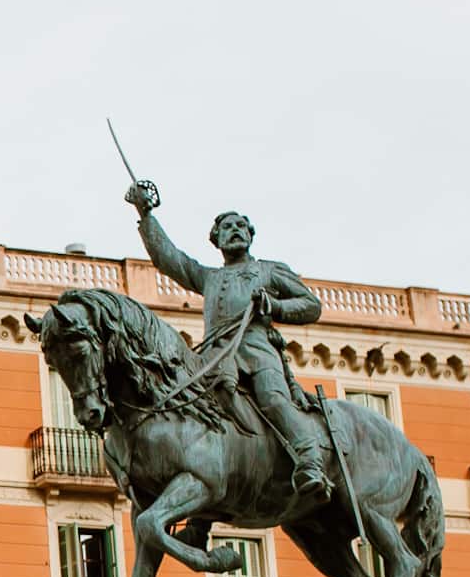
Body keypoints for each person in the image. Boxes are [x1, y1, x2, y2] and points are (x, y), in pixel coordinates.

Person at [126, 180, 332, 497]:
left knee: (272, 398)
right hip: (214, 357)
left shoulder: (269, 270)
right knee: (200, 417)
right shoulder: (209, 277)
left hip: (257, 351)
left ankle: (310, 458)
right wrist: (146, 214)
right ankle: (203, 504)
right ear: (216, 240)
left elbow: (311, 305)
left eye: (240, 227)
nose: (234, 230)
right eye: (226, 228)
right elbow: (169, 259)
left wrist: (275, 306)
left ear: (250, 236)